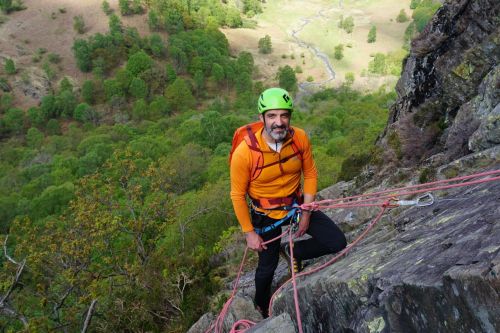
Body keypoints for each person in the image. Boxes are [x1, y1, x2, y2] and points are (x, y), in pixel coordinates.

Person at [230, 87, 347, 318]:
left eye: (284, 115)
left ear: (290, 117)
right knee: (267, 268)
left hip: (296, 206)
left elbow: (310, 173)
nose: (279, 122)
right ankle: (261, 307)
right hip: (265, 213)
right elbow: (237, 195)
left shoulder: (299, 138)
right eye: (272, 116)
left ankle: (295, 252)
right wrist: (249, 233)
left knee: (337, 242)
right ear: (261, 118)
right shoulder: (245, 153)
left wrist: (305, 211)